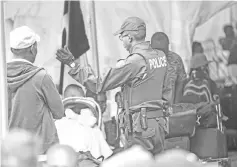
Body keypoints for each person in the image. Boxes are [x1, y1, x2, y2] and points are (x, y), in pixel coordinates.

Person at [56, 17, 168, 155]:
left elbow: (98, 84)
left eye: (122, 37)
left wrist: (73, 65)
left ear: (130, 37)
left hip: (142, 127)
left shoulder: (134, 62)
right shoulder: (160, 56)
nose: (122, 41)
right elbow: (167, 90)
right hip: (159, 122)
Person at [7, 26, 64, 154]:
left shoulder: (1, 76)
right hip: (41, 149)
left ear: (11, 49)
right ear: (33, 48)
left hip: (11, 149)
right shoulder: (41, 77)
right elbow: (59, 112)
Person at [151, 32, 186, 104]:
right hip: (151, 108)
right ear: (151, 47)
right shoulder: (144, 61)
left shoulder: (175, 59)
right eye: (157, 50)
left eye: (163, 50)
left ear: (168, 46)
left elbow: (181, 82)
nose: (160, 53)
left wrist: (176, 104)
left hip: (170, 105)